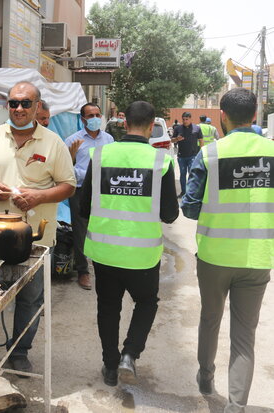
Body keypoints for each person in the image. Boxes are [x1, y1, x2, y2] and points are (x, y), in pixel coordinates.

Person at [0, 81, 76, 374]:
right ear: (7, 105)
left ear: (37, 106)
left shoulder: (53, 142)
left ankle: (19, 352)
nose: (18, 108)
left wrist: (39, 197)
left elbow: (68, 186)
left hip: (37, 237)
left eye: (25, 103)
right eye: (13, 103)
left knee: (30, 298)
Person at [182, 88, 273, 412]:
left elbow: (190, 208)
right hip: (257, 258)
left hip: (215, 257)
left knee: (210, 318)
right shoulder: (272, 152)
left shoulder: (209, 155)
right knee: (244, 336)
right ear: (254, 116)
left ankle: (206, 378)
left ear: (223, 116)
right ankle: (236, 406)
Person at [79, 100, 178, 386]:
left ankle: (110, 367)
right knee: (146, 303)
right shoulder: (161, 161)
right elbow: (170, 213)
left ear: (123, 123)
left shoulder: (99, 155)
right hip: (142, 254)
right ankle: (129, 354)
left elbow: (84, 208)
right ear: (150, 127)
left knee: (108, 307)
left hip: (104, 251)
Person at [64, 103, 114, 290]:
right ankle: (83, 270)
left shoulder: (109, 140)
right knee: (80, 230)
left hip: (103, 190)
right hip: (80, 190)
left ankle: (104, 266)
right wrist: (71, 155)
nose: (95, 118)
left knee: (103, 228)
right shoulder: (72, 140)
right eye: (90, 115)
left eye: (97, 115)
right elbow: (62, 169)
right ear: (83, 119)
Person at [171, 111, 203, 197]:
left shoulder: (197, 128)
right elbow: (172, 140)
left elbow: (201, 141)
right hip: (181, 156)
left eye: (187, 119)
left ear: (191, 119)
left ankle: (191, 193)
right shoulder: (178, 128)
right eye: (183, 119)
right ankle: (183, 192)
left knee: (191, 174)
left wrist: (200, 152)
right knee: (182, 174)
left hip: (193, 155)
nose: (185, 121)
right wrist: (177, 139)